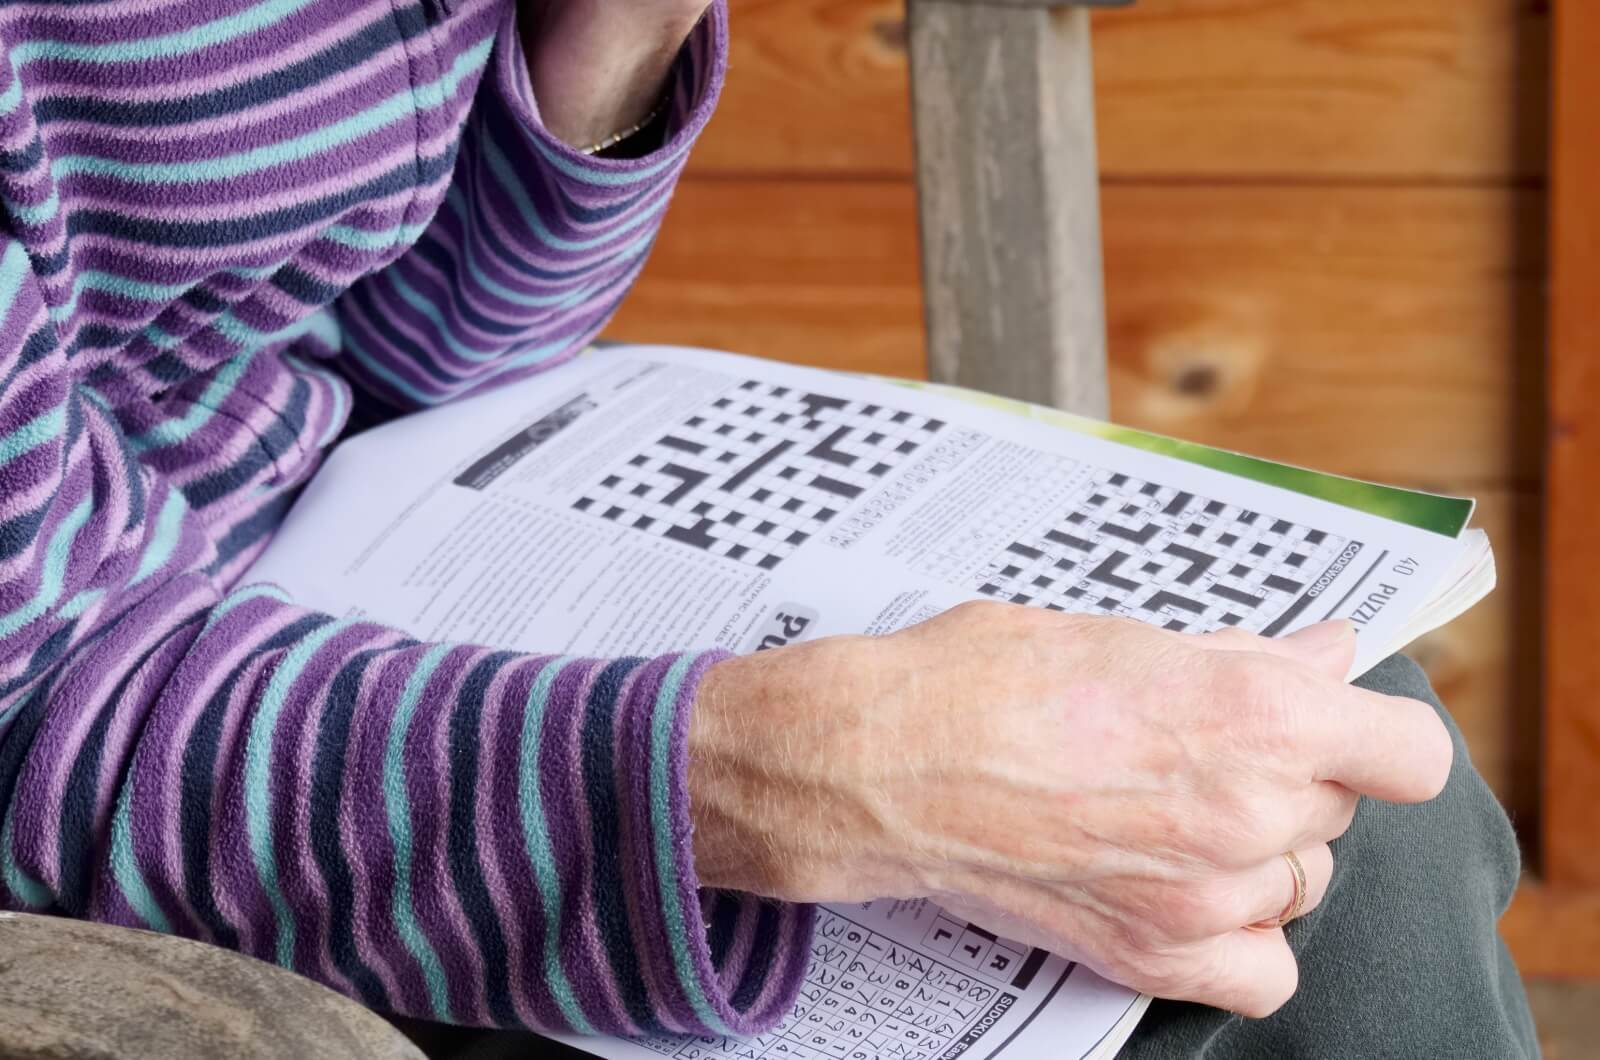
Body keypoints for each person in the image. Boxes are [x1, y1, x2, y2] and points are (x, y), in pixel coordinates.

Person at [0, 1, 1536, 1057]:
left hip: (307, 564)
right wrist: (803, 777)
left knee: (1304, 747)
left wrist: (605, 46)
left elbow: (385, 362)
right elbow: (26, 724)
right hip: (128, 787)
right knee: (1294, 901)